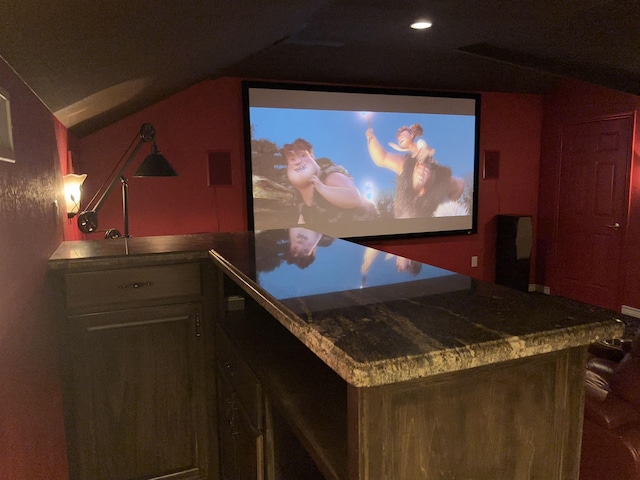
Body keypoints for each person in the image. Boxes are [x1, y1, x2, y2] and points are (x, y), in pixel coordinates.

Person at [365, 124, 466, 219]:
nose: (400, 138)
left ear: (412, 135)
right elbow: (382, 158)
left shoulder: (419, 144)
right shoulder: (405, 163)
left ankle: (445, 209)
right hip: (411, 205)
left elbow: (460, 184)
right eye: (398, 137)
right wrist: (372, 138)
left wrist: (450, 210)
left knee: (458, 184)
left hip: (432, 176)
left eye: (403, 135)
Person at [282, 138, 378, 224]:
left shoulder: (329, 176)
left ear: (311, 155)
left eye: (303, 155)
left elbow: (354, 198)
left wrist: (322, 188)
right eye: (292, 159)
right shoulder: (301, 201)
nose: (298, 161)